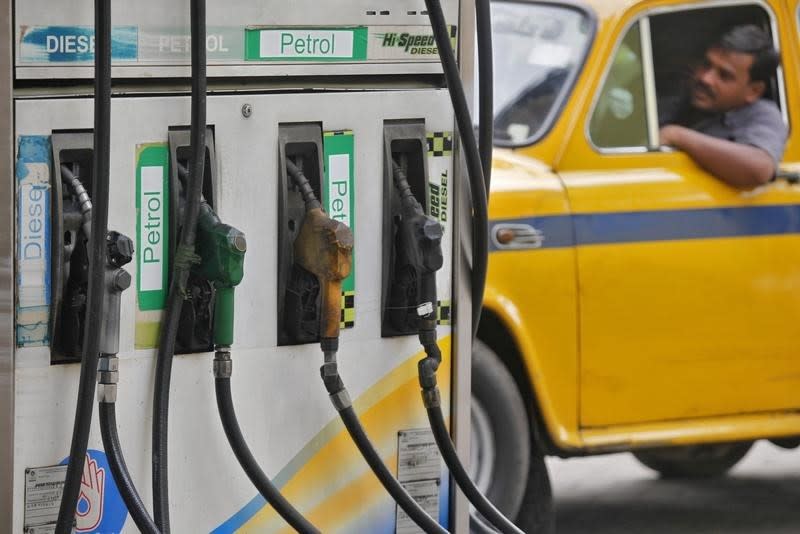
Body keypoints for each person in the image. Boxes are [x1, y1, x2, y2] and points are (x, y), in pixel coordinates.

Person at [659, 25, 786, 188]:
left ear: (753, 91)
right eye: (706, 64)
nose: (706, 78)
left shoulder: (761, 115)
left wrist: (676, 135)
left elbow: (759, 169)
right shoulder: (681, 101)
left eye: (724, 75)